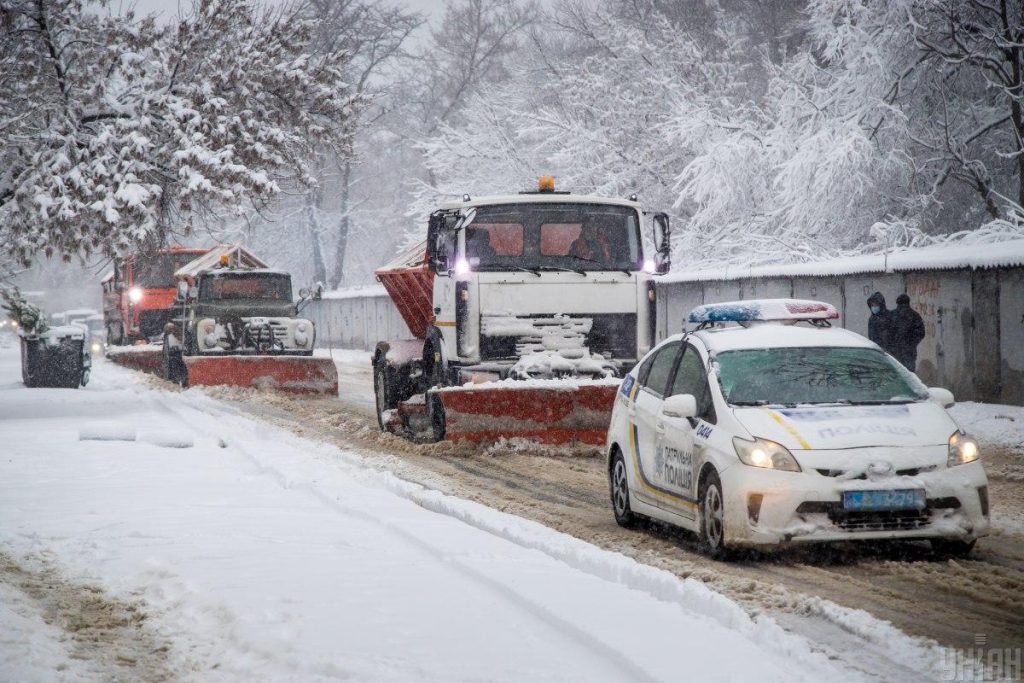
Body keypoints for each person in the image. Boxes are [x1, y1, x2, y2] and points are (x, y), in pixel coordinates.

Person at [889, 293, 926, 372]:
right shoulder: (915, 315)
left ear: (897, 303)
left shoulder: (892, 315)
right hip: (909, 352)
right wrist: (911, 343)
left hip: (894, 352)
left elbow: (887, 332)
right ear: (908, 302)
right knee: (909, 375)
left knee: (896, 374)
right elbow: (921, 333)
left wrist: (891, 345)